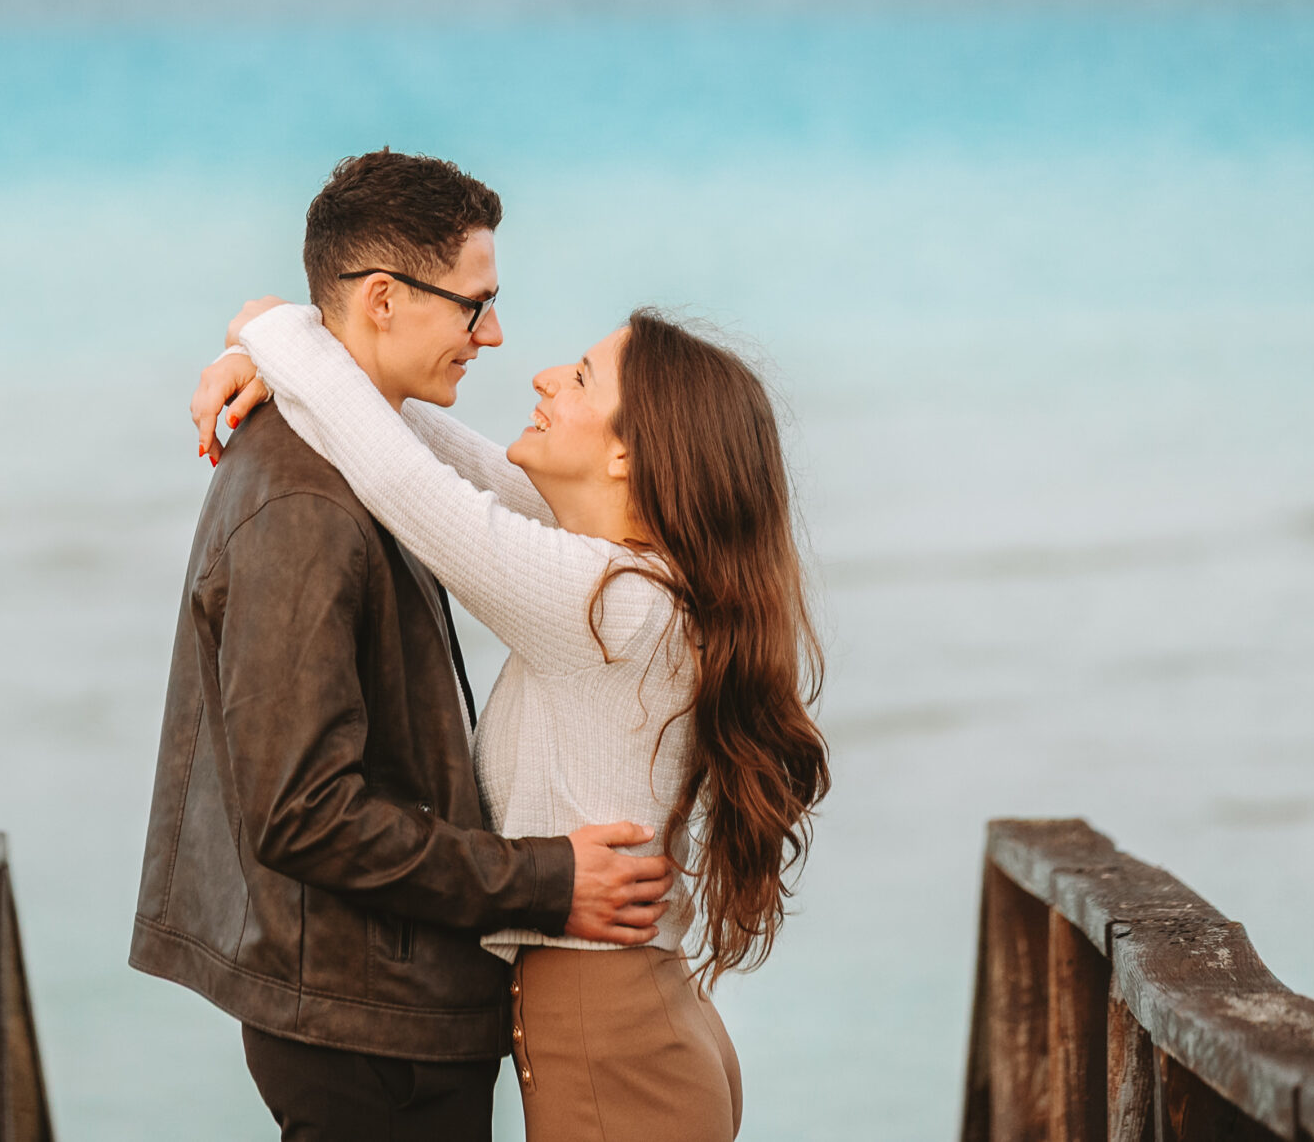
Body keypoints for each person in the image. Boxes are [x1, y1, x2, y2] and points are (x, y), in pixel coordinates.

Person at [187, 249, 831, 1141]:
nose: (540, 373)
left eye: (578, 377)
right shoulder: (630, 582)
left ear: (624, 455)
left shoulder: (614, 607)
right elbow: (394, 427)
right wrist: (284, 345)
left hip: (612, 1045)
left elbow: (404, 482)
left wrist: (272, 331)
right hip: (621, 1026)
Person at [132, 150, 678, 1142]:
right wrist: (548, 881)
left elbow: (416, 458)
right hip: (366, 1021)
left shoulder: (368, 464)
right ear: (383, 299)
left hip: (392, 1003)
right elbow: (303, 812)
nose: (497, 335)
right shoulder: (306, 503)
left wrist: (272, 338)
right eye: (475, 305)